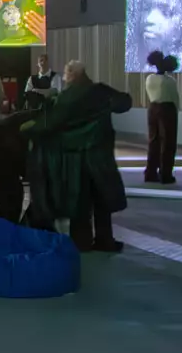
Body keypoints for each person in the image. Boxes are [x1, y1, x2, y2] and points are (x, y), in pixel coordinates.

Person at [25, 60, 131, 252]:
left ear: (73, 75)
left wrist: (28, 129)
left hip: (76, 160)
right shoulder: (100, 91)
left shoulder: (67, 97)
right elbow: (124, 102)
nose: (64, 75)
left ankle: (81, 242)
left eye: (66, 72)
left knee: (79, 201)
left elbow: (49, 124)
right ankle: (105, 240)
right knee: (101, 200)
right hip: (101, 156)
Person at [143, 50, 181, 184]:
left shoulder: (149, 78)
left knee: (153, 141)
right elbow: (175, 99)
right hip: (167, 110)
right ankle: (166, 174)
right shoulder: (169, 81)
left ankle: (150, 173)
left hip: (152, 108)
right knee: (168, 143)